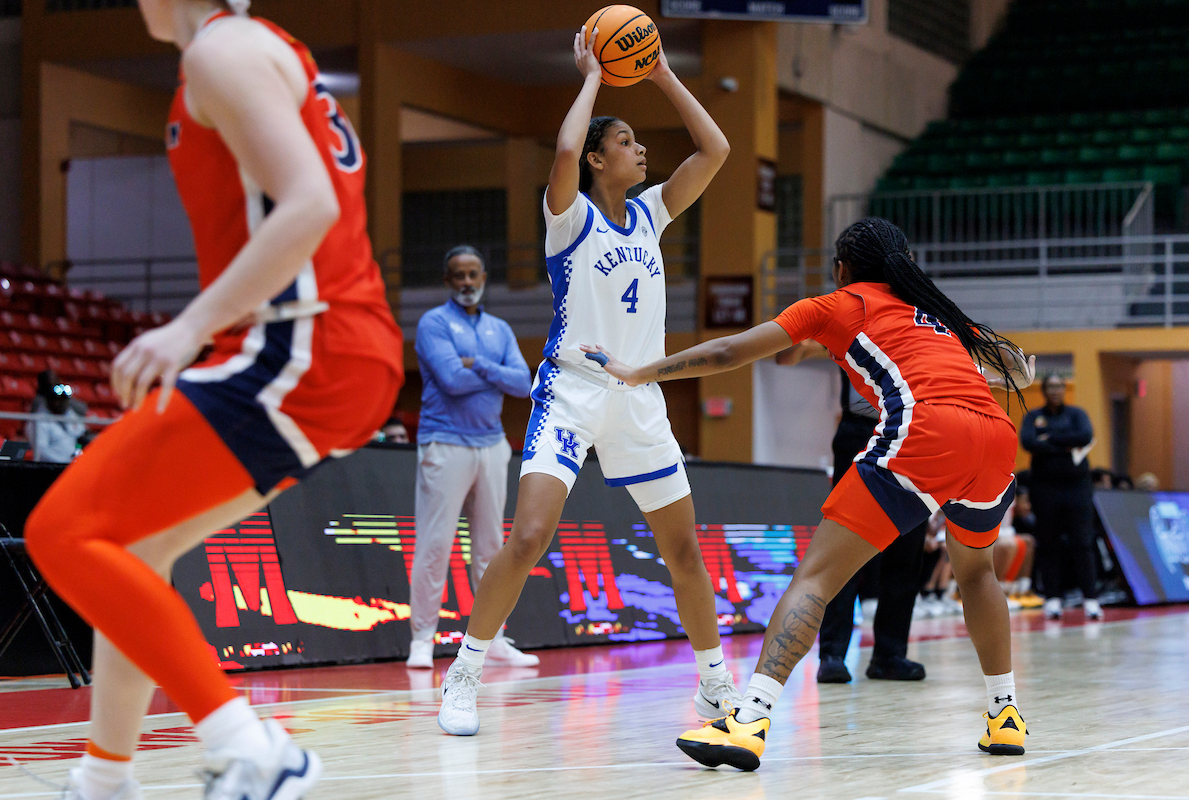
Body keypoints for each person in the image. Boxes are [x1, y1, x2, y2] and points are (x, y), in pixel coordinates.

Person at [23, 2, 403, 799]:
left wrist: (188, 327)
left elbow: (310, 204)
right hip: (330, 348)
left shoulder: (222, 51)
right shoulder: (256, 47)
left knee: (60, 530)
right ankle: (104, 780)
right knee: (131, 550)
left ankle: (256, 751)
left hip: (303, 342)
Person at [585, 217, 1037, 771]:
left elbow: (728, 353)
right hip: (996, 439)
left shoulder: (836, 303)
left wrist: (637, 372)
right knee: (977, 574)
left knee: (816, 579)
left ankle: (750, 718)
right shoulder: (935, 312)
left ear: (841, 269)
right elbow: (1011, 368)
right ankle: (1005, 713)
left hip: (926, 430)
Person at [436, 28, 737, 737]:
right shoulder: (569, 218)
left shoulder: (652, 213)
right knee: (528, 537)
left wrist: (660, 74)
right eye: (627, 142)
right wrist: (594, 73)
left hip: (640, 400)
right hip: (572, 393)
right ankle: (466, 672)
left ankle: (714, 683)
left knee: (684, 551)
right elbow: (567, 147)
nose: (641, 149)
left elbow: (716, 149)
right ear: (601, 160)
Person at [408, 245, 534, 671]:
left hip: (492, 445)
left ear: (483, 278)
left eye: (473, 274)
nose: (466, 282)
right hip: (445, 443)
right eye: (458, 275)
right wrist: (495, 374)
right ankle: (422, 640)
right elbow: (451, 380)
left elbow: (523, 383)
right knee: (435, 544)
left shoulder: (500, 328)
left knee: (492, 549)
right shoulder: (434, 322)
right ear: (448, 281)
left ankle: (492, 640)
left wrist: (478, 364)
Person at [778, 341, 927, 683]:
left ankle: (889, 655)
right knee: (844, 545)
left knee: (907, 548)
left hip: (911, 434)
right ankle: (832, 653)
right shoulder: (853, 328)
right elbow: (789, 354)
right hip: (860, 430)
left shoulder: (921, 330)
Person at [1019, 375, 1100, 621]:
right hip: (1045, 488)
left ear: (1064, 389)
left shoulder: (1077, 414)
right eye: (1050, 387)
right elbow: (1028, 442)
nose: (1055, 391)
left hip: (1077, 487)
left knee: (1082, 542)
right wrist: (1065, 443)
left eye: (1058, 386)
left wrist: (1049, 438)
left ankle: (1090, 599)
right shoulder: (1033, 416)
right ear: (1044, 390)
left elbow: (1085, 436)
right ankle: (1053, 598)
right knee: (1048, 542)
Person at [26, 371, 86, 463]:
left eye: (64, 400)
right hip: (49, 466)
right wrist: (62, 462)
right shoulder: (39, 421)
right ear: (49, 401)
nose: (60, 403)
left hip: (71, 465)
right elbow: (40, 452)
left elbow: (80, 434)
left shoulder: (70, 414)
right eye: (57, 400)